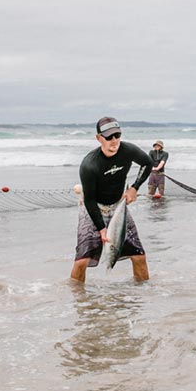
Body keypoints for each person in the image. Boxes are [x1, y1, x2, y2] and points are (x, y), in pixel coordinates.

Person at [72, 117, 154, 283]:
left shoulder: (128, 150)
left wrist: (134, 187)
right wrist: (101, 228)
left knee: (139, 256)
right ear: (99, 138)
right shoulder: (90, 164)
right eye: (109, 137)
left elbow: (147, 163)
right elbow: (89, 200)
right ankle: (78, 299)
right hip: (94, 208)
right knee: (82, 261)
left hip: (118, 207)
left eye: (117, 135)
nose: (114, 141)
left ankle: (143, 295)